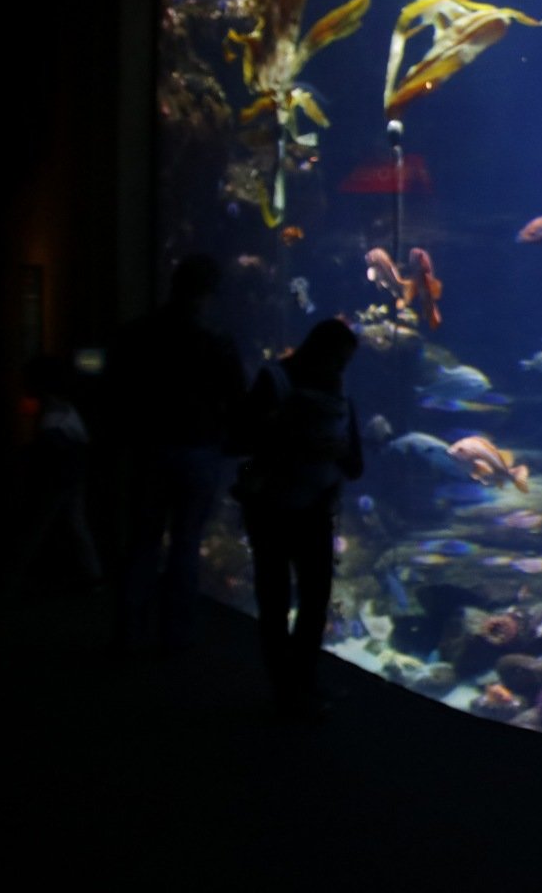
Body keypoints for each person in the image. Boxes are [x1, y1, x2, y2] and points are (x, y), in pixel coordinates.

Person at [109, 254, 248, 654]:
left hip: (149, 448)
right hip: (199, 449)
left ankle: (128, 633)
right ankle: (175, 636)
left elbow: (117, 389)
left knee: (143, 540)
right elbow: (237, 396)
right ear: (210, 293)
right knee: (186, 544)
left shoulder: (138, 333)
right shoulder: (216, 340)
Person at [230, 318, 364, 720]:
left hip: (313, 511)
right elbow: (238, 440)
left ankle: (302, 681)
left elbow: (355, 464)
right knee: (276, 601)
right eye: (337, 359)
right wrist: (294, 439)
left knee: (313, 600)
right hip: (272, 509)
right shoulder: (275, 382)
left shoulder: (338, 395)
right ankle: (286, 690)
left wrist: (335, 450)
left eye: (345, 362)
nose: (340, 369)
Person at [12, 354, 104, 594]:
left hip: (60, 476)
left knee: (37, 526)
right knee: (74, 522)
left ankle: (13, 577)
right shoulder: (62, 409)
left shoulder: (53, 413)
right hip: (70, 474)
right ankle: (93, 575)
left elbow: (53, 446)